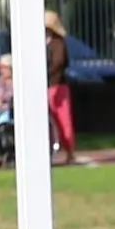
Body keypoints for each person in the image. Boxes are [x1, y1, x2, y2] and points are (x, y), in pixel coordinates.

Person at [43, 10, 77, 164]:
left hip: (56, 86)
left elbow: (59, 63)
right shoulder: (44, 42)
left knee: (62, 119)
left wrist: (47, 73)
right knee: (49, 119)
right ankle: (51, 149)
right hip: (47, 85)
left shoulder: (57, 43)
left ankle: (69, 151)